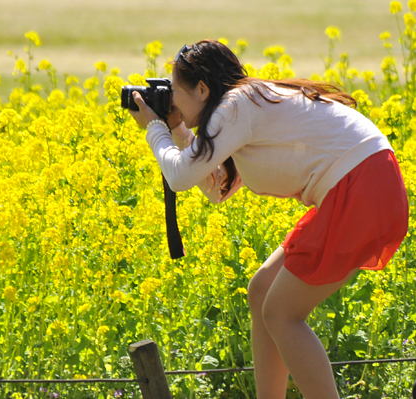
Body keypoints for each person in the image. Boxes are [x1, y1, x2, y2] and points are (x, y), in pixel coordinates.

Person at [128, 39, 409, 399]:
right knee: (262, 292)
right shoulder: (242, 107)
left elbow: (180, 177)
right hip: (365, 183)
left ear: (202, 88)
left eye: (176, 92)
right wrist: (179, 132)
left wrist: (154, 128)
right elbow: (217, 190)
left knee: (281, 313)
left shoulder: (235, 106)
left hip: (360, 187)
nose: (174, 101)